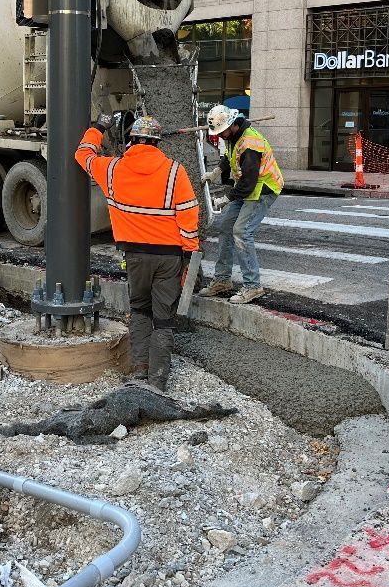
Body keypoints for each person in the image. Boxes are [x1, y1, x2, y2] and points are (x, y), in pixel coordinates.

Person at [75, 113, 199, 392]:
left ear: (131, 140)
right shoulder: (174, 171)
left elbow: (82, 154)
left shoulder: (111, 169)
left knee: (140, 311)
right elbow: (189, 215)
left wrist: (98, 128)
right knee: (163, 318)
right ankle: (158, 381)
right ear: (157, 142)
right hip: (170, 257)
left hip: (135, 257)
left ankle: (140, 372)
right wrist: (190, 254)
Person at [197, 104, 283, 304]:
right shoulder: (232, 136)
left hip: (264, 189)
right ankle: (222, 280)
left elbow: (248, 183)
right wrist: (216, 172)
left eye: (222, 132)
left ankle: (253, 286)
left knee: (242, 232)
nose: (220, 136)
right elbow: (230, 156)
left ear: (232, 125)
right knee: (226, 228)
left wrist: (227, 198)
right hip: (249, 187)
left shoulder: (251, 142)